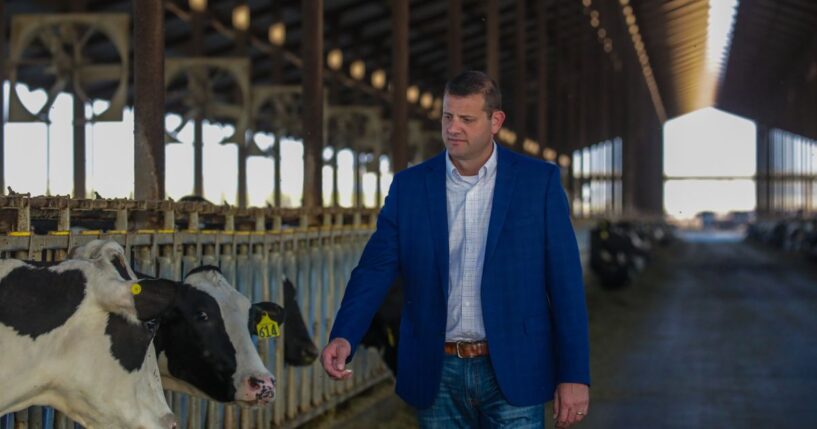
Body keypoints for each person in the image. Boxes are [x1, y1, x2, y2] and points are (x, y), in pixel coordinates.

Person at [321, 70, 590, 428]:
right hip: (438, 369)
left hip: (515, 364)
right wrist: (344, 334)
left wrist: (574, 374)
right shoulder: (410, 187)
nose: (453, 128)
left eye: (466, 119)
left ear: (495, 121)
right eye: (448, 116)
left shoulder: (537, 182)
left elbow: (566, 284)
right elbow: (375, 269)